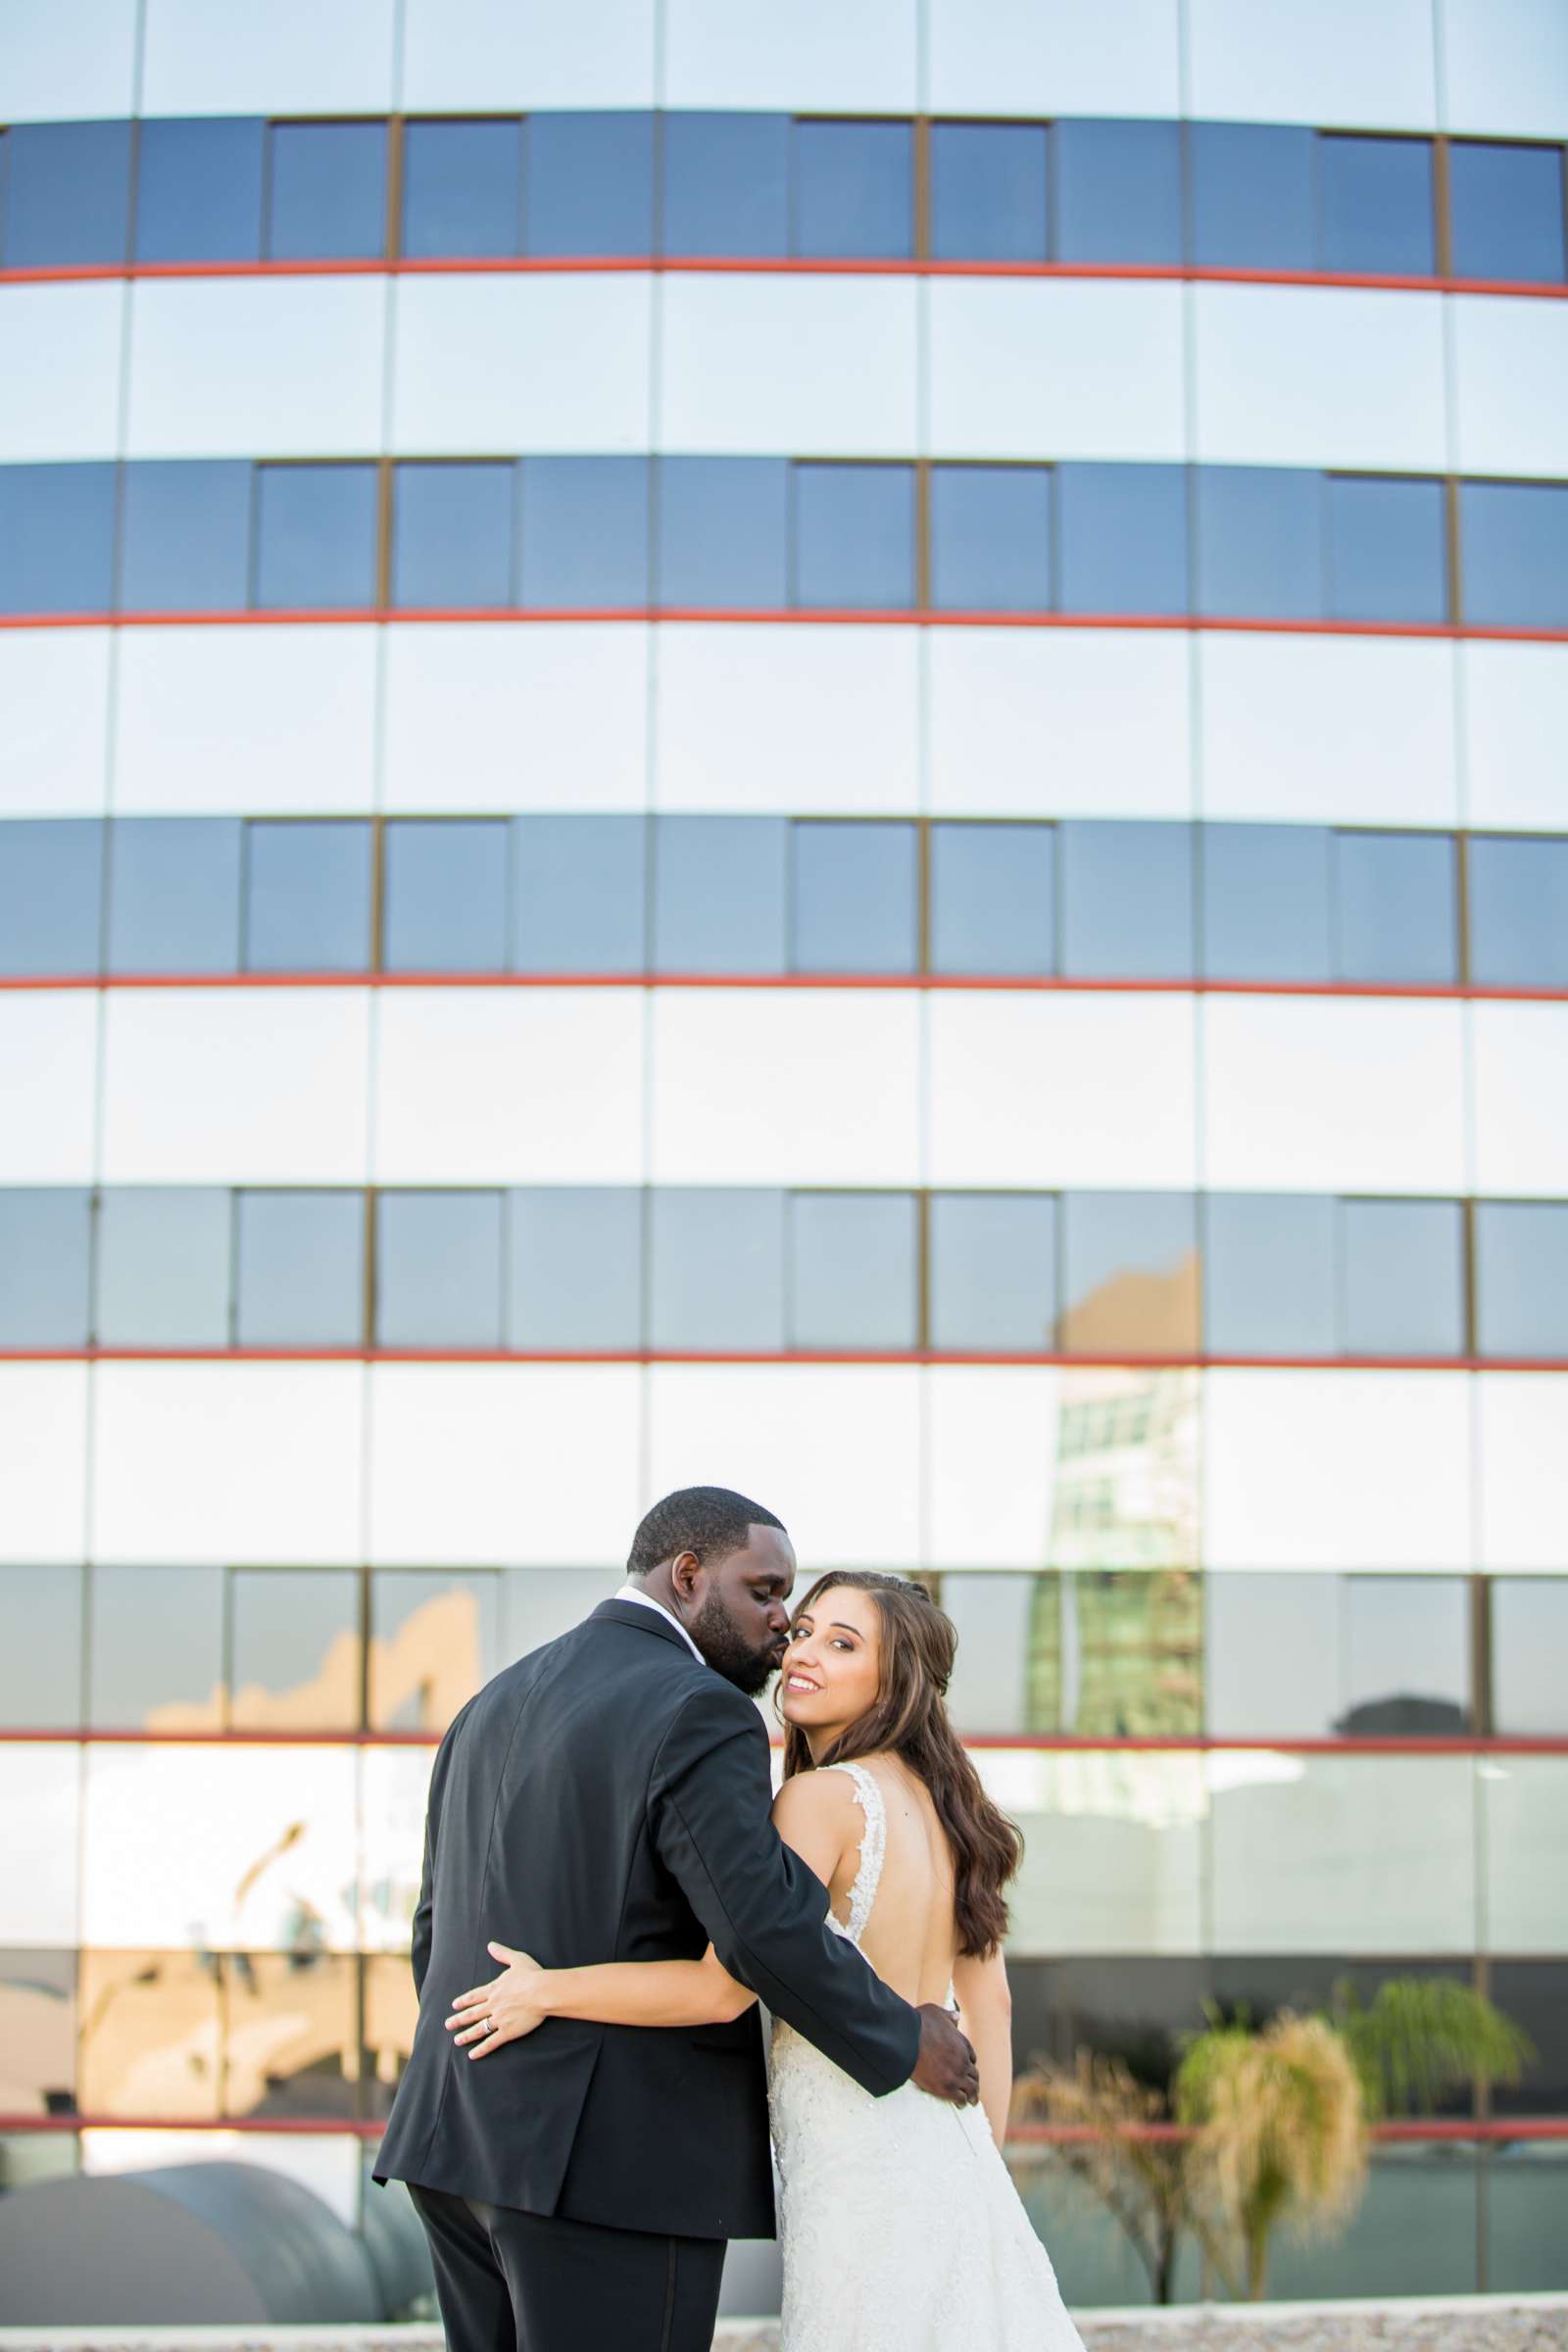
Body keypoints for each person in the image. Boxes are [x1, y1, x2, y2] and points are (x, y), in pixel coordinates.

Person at [373, 1492, 979, 2352]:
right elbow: (761, 1929)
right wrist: (902, 2036)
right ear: (688, 1575)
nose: (782, 1624)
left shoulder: (489, 1704)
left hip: (453, 2144)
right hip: (611, 2169)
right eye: (765, 1593)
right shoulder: (700, 1708)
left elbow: (435, 1930)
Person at [449, 1568, 1090, 2352]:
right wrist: (979, 2172)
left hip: (858, 2166)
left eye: (843, 1643)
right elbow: (992, 2009)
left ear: (898, 1682)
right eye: (805, 1632)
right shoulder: (956, 1814)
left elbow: (723, 1986)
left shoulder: (819, 1802)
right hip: (951, 2157)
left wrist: (546, 1990)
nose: (802, 1653)